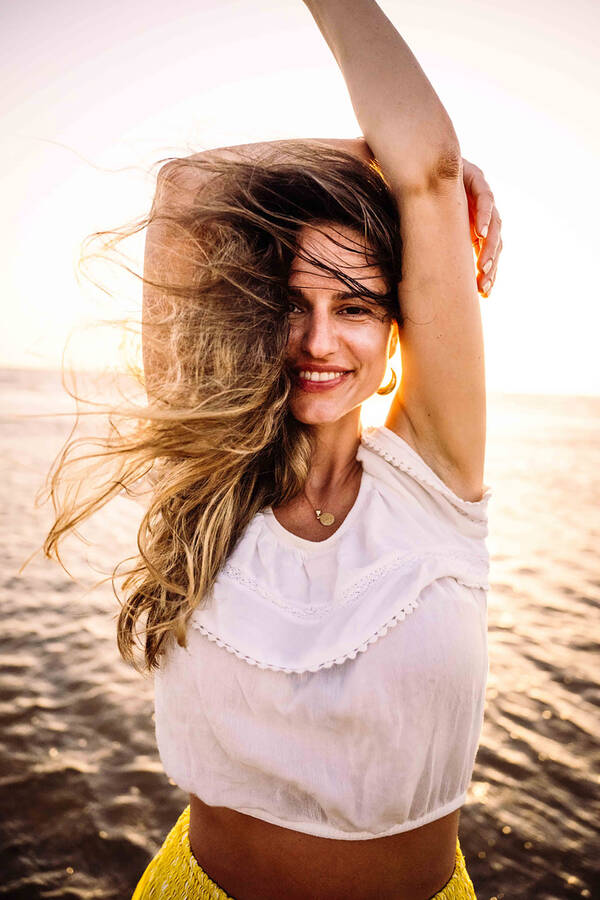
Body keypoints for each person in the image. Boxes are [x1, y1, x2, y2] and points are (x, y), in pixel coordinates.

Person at [44, 1, 502, 898]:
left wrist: (420, 185)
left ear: (397, 334)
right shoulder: (206, 461)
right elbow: (187, 185)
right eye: (291, 304)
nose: (319, 340)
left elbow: (433, 166)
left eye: (355, 307)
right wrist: (362, 161)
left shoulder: (435, 479)